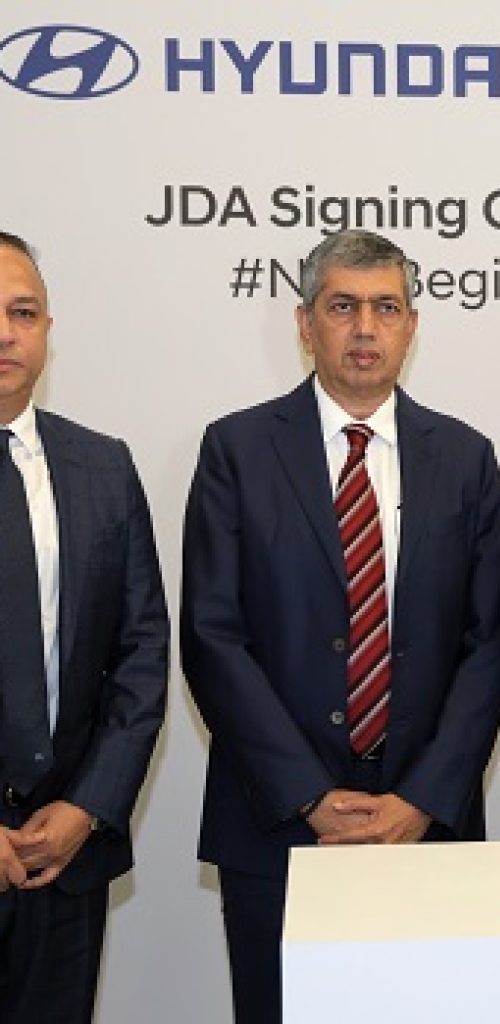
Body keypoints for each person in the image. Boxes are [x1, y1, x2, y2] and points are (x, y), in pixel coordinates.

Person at [180, 228, 500, 1024]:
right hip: (278, 826)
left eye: (386, 308)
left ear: (412, 325)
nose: (365, 328)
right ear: (305, 324)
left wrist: (422, 799)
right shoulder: (236, 449)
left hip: (423, 827)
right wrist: (308, 796)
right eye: (342, 307)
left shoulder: (466, 458)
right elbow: (211, 635)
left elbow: (491, 642)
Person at [0, 231, 168, 1022]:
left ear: (48, 329)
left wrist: (87, 807)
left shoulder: (103, 466)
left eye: (22, 312)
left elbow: (141, 653)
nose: (6, 333)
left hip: (63, 855)